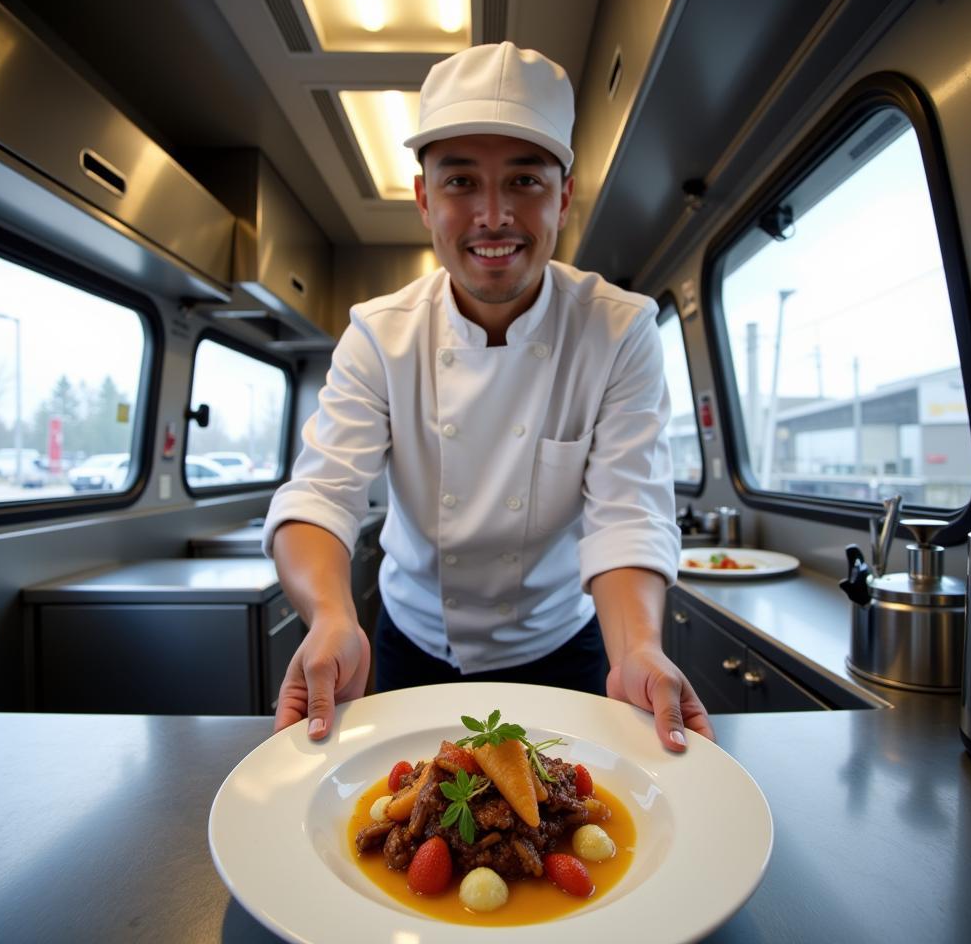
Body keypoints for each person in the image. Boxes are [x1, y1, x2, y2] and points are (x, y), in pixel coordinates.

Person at [264, 41, 712, 751]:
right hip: (409, 648)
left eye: (526, 181)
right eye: (461, 181)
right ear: (423, 199)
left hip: (567, 652)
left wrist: (637, 652)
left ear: (564, 195)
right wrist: (329, 617)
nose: (494, 215)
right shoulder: (379, 338)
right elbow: (320, 496)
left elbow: (626, 517)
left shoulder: (618, 330)